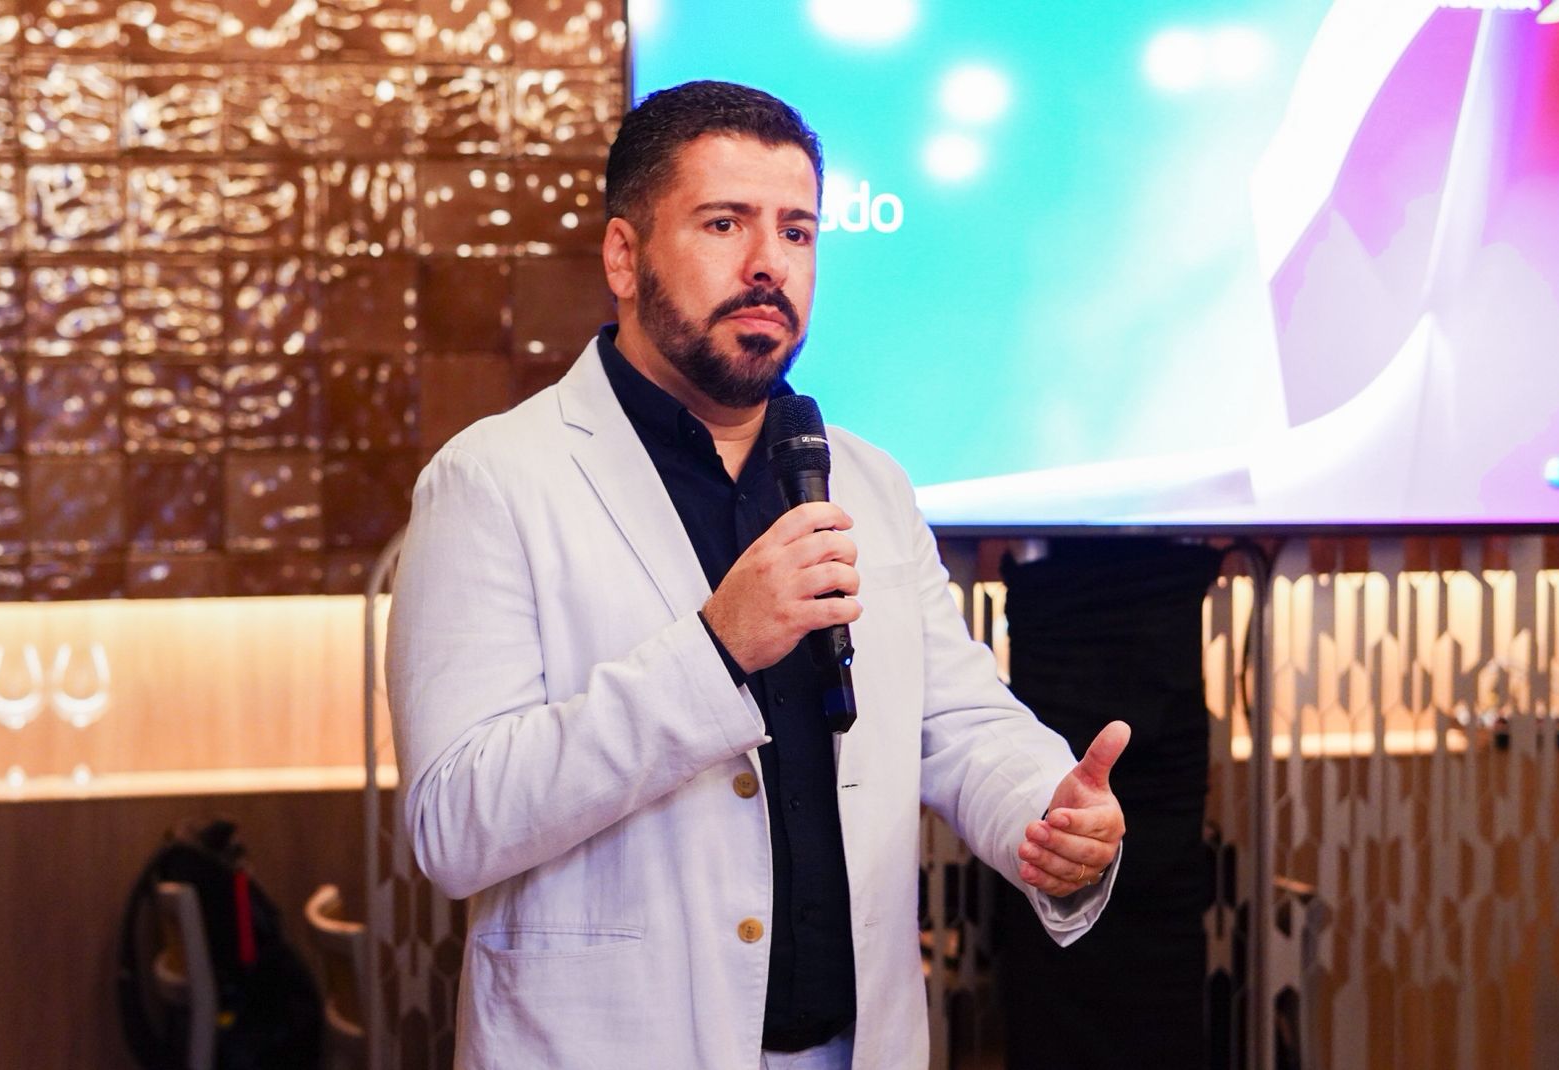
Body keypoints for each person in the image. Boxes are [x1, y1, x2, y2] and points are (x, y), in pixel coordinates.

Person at [387, 80, 1130, 1070]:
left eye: (796, 231)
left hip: (854, 1046)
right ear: (624, 256)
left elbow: (956, 725)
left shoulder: (866, 479)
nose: (768, 263)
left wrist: (1048, 812)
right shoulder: (492, 480)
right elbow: (452, 822)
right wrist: (715, 648)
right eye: (724, 223)